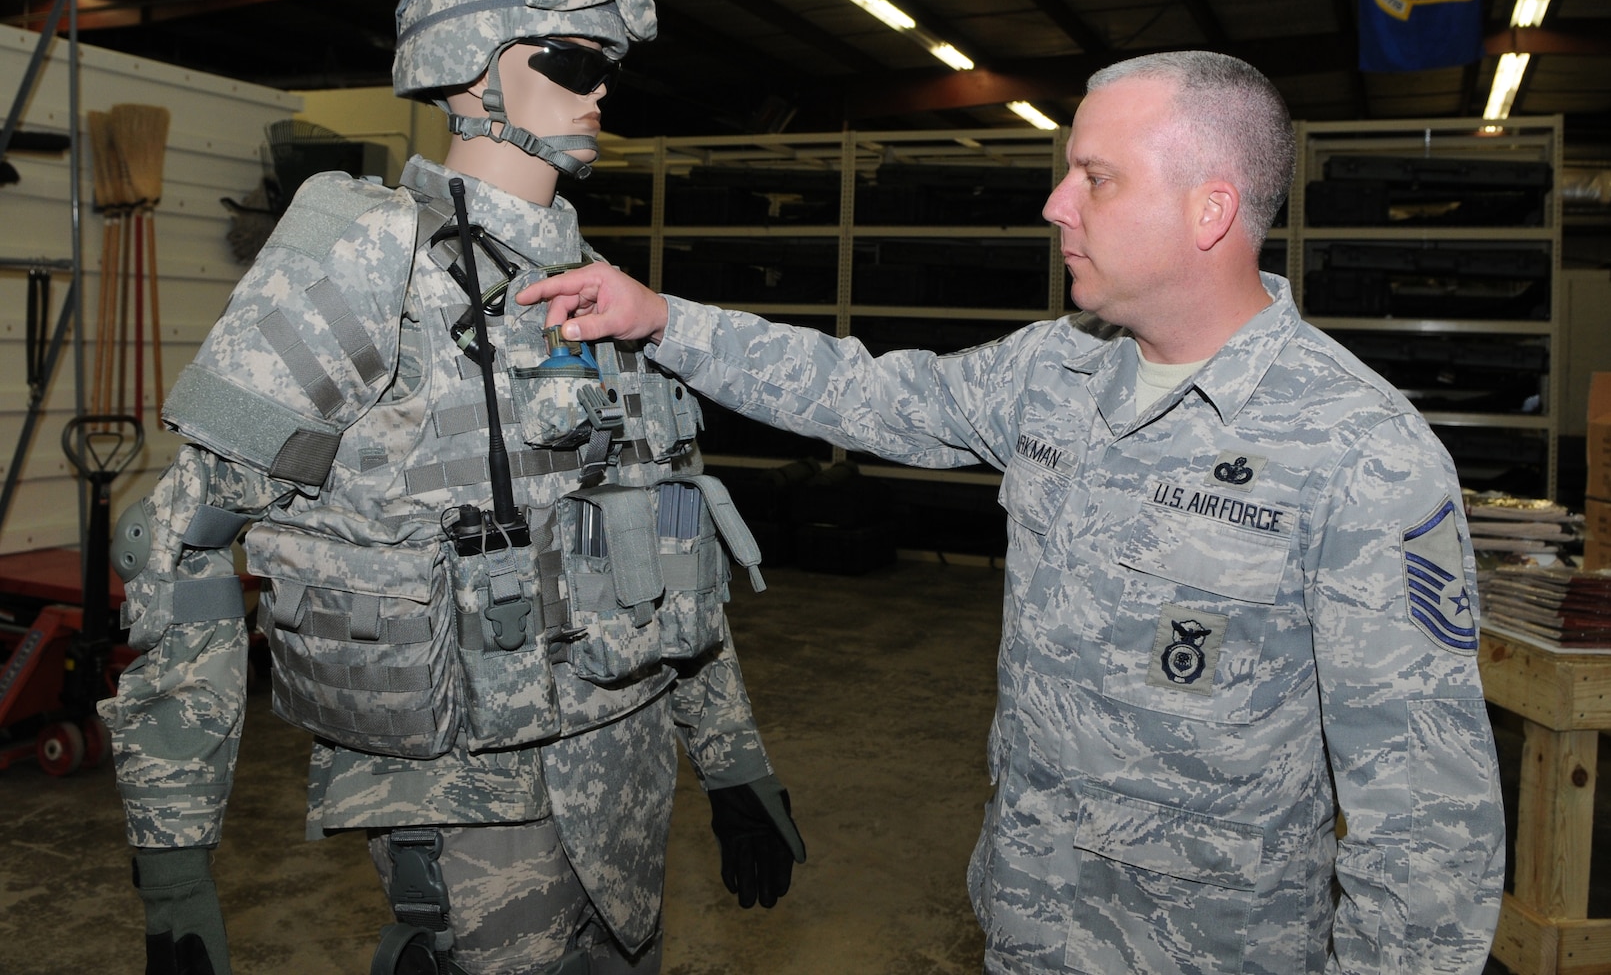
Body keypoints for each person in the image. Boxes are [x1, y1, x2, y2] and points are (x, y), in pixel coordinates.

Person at [518, 51, 1506, 973]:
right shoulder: (1053, 373)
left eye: (1096, 177)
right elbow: (861, 393)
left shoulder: (1361, 450)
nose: (1054, 205)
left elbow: (1426, 832)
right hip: (1028, 925)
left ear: (1211, 210)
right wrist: (666, 322)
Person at [99, 0, 803, 975]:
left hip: (629, 784)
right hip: (471, 810)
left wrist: (734, 763)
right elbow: (183, 537)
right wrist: (175, 865)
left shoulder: (599, 287)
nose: (601, 88)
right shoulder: (367, 254)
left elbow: (666, 540)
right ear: (472, 69)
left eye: (608, 65)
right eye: (571, 59)